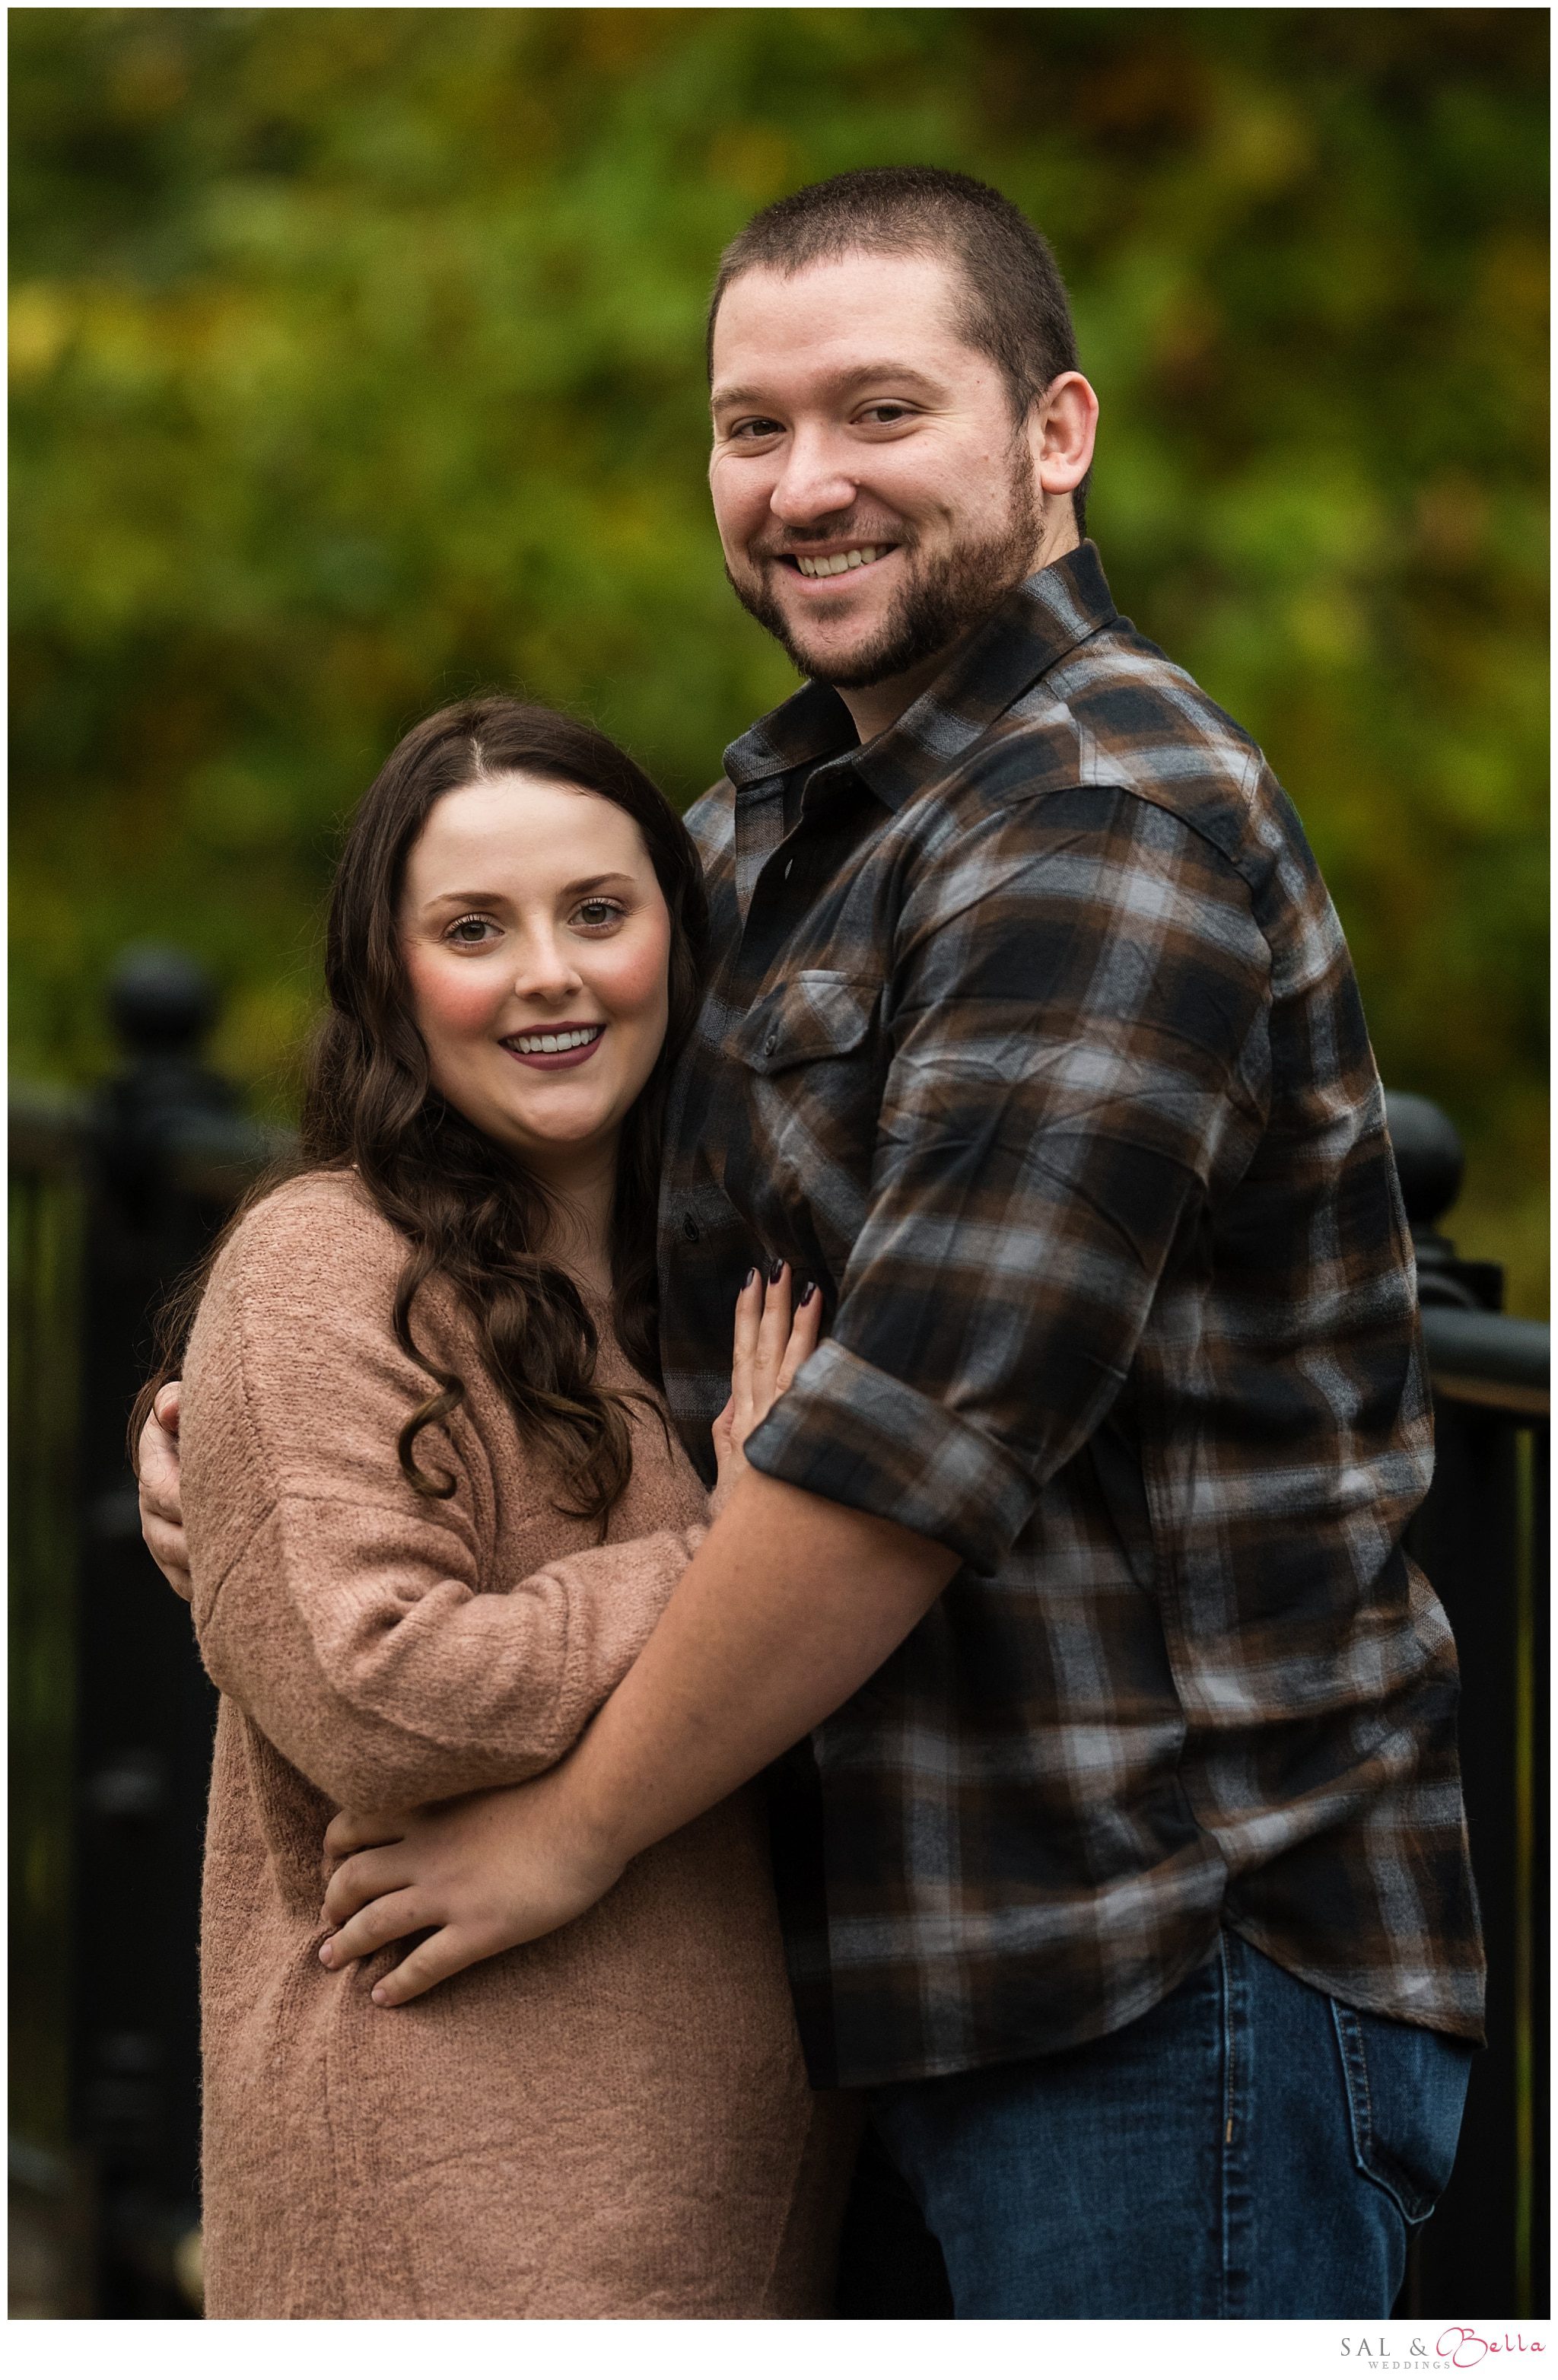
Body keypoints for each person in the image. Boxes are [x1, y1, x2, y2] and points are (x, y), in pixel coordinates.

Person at [141, 167, 1484, 2318]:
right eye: (752, 428)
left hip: (1158, 1969)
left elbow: (898, 1455)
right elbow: (526, 1186)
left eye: (878, 413)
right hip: (873, 1975)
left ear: (1056, 435)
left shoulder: (1101, 821)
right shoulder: (772, 828)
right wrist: (240, 1417)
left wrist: (568, 1837)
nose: (804, 484)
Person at [133, 696, 856, 2318]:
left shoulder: (711, 1277)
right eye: (474, 927)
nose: (549, 972)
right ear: (389, 976)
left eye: (598, 913)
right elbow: (381, 1687)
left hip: (729, 2202)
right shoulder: (329, 1260)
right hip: (440, 2202)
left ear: (676, 936)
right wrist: (743, 1552)